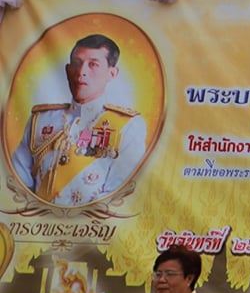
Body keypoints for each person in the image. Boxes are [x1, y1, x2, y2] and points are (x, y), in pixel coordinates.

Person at [10, 34, 147, 206]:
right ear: (67, 70)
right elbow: (17, 183)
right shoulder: (41, 120)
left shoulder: (127, 126)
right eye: (76, 63)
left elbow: (121, 195)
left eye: (93, 65)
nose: (81, 72)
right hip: (38, 228)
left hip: (94, 228)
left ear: (112, 73)